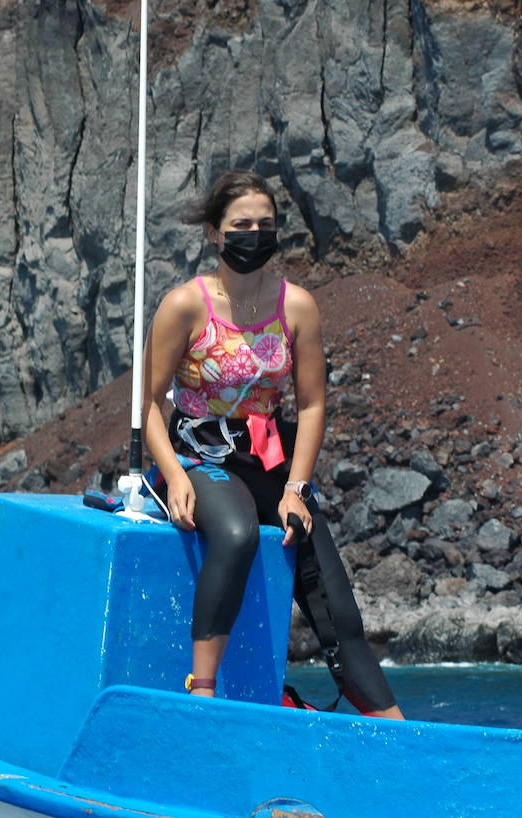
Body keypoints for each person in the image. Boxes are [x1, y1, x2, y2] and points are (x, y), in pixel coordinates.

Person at [142, 169, 404, 719]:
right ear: (215, 232)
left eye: (265, 224)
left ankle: (391, 727)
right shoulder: (184, 307)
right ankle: (203, 694)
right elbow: (150, 403)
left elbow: (310, 405)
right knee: (236, 535)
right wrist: (177, 475)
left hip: (269, 456)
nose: (254, 234)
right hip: (196, 452)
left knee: (326, 585)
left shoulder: (298, 307)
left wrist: (296, 490)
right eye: (241, 224)